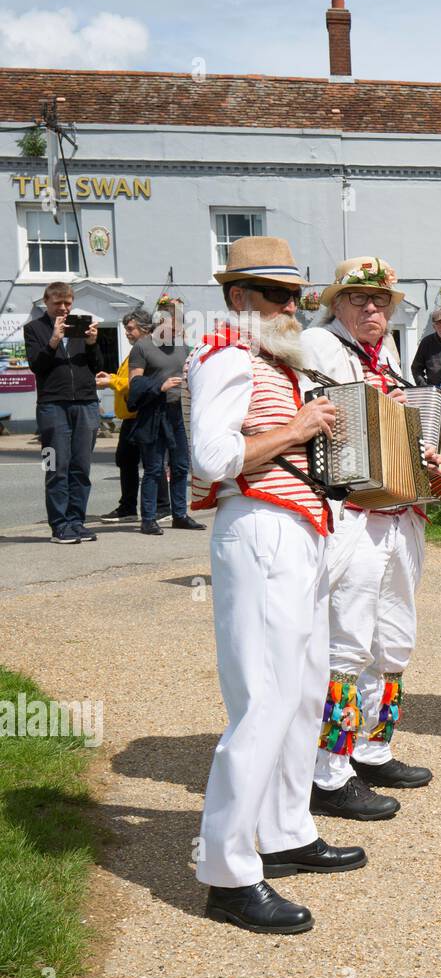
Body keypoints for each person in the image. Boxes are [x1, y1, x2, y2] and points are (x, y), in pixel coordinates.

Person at [187, 236, 364, 934]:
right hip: (259, 528)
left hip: (296, 529)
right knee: (262, 699)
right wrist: (298, 428)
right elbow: (211, 457)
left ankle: (287, 826)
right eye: (277, 294)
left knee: (302, 690)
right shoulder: (226, 354)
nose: (293, 306)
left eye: (295, 295)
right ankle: (228, 873)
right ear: (240, 299)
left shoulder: (271, 361)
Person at [299, 256, 431, 821]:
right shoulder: (320, 347)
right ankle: (328, 773)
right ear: (336, 304)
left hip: (400, 514)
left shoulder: (390, 353)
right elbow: (328, 418)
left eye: (381, 300)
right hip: (351, 512)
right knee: (347, 644)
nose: (373, 308)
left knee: (394, 639)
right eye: (359, 299)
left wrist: (423, 444)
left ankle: (373, 747)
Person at [24, 282, 101, 544]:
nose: (64, 308)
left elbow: (97, 366)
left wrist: (91, 343)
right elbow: (37, 366)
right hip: (52, 406)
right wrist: (54, 340)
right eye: (58, 303)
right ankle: (59, 526)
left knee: (81, 467)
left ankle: (76, 521)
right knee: (56, 466)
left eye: (68, 303)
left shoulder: (79, 327)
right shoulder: (34, 329)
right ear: (46, 301)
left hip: (85, 403)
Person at [129, 307, 205, 535]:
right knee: (154, 469)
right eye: (174, 326)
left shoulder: (182, 347)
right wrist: (159, 386)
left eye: (180, 326)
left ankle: (180, 515)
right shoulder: (142, 347)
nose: (178, 330)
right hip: (154, 414)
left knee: (181, 467)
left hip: (178, 413)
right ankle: (149, 519)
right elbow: (135, 384)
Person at [95, 309, 157, 521]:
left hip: (141, 415)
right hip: (131, 417)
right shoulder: (136, 350)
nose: (127, 333)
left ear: (144, 328)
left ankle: (159, 507)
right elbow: (127, 379)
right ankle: (130, 507)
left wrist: (111, 381)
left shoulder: (145, 350)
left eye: (130, 329)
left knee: (150, 464)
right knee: (128, 461)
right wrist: (112, 377)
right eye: (126, 329)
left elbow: (136, 384)